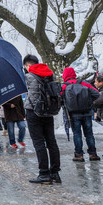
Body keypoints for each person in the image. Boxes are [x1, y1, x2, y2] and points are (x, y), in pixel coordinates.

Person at [23, 54, 61, 184]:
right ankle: (55, 172)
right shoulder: (50, 74)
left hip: (33, 113)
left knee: (39, 143)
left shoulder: (29, 77)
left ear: (28, 65)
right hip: (48, 111)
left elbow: (29, 95)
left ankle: (44, 174)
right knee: (51, 142)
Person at [61, 67, 100, 162]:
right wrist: (89, 103)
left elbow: (59, 98)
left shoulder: (64, 86)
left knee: (77, 134)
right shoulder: (84, 83)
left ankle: (79, 155)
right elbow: (97, 94)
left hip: (73, 114)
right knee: (89, 134)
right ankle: (93, 154)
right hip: (87, 113)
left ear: (65, 75)